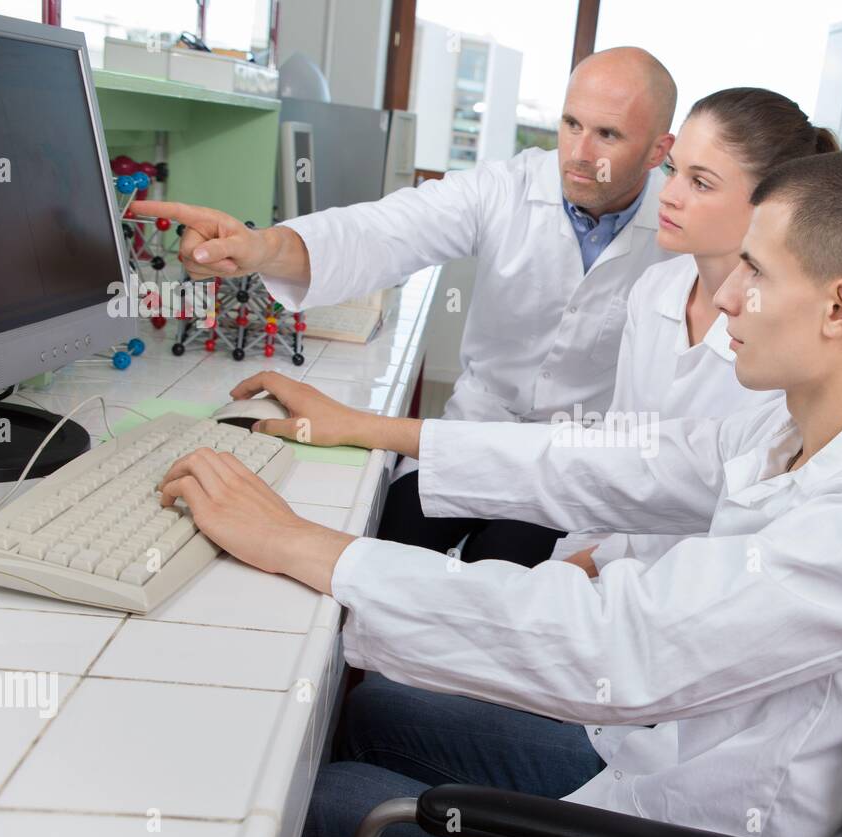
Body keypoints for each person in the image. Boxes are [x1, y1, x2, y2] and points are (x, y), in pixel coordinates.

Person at [155, 150, 842, 837]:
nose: (730, 297)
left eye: (757, 271)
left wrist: (310, 547)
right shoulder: (802, 429)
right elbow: (608, 464)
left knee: (322, 803)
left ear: (841, 307)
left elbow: (623, 642)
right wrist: (371, 431)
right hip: (656, 755)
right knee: (369, 706)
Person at [132, 46, 678, 567]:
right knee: (382, 544)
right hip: (470, 432)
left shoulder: (684, 235)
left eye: (607, 134)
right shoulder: (504, 188)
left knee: (502, 576)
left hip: (571, 461)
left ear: (658, 150)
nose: (580, 154)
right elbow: (382, 233)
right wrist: (263, 247)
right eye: (571, 124)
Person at [554, 87, 839, 578]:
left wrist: (597, 568)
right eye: (671, 171)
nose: (668, 194)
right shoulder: (655, 289)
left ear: (769, 205)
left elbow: (730, 529)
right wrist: (573, 562)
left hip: (684, 589)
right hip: (603, 556)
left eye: (700, 183)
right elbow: (614, 458)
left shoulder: (784, 346)